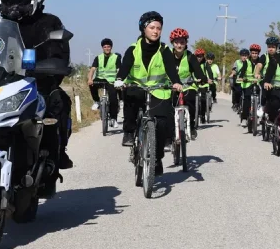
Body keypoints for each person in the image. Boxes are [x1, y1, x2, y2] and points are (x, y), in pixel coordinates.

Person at [0, 0, 74, 197]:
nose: (14, 5)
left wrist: (50, 67)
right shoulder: (0, 26)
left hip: (38, 86)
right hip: (2, 86)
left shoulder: (50, 23)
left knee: (58, 100)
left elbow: (60, 55)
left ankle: (54, 156)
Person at [113, 11, 182, 176]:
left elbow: (171, 69)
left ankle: (156, 159)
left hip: (159, 89)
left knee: (162, 123)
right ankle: (129, 132)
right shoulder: (133, 49)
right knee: (129, 98)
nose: (156, 31)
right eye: (152, 27)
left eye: (159, 28)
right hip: (137, 88)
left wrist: (176, 82)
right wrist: (120, 79)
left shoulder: (164, 50)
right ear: (143, 29)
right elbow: (125, 66)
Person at [168, 28, 207, 140]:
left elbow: (198, 70)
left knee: (190, 98)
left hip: (187, 86)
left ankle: (192, 126)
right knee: (167, 105)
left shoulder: (190, 56)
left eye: (182, 42)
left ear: (186, 43)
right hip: (171, 87)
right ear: (172, 43)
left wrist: (202, 78)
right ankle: (169, 131)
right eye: (176, 42)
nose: (179, 45)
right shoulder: (167, 55)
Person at [88, 38, 122, 127]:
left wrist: (118, 80)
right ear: (102, 48)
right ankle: (97, 101)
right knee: (92, 84)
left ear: (111, 48)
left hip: (111, 81)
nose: (107, 48)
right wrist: (90, 79)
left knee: (113, 98)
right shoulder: (98, 58)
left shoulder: (116, 57)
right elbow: (92, 69)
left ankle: (113, 119)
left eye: (108, 47)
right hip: (100, 78)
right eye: (105, 47)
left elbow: (119, 70)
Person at [237, 44, 262, 127]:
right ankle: (244, 118)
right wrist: (241, 77)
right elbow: (243, 69)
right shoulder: (246, 61)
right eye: (253, 53)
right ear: (250, 53)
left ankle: (259, 113)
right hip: (247, 83)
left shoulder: (261, 61)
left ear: (258, 54)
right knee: (247, 99)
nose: (254, 55)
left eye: (256, 53)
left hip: (257, 82)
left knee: (261, 96)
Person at [194, 48, 215, 123]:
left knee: (203, 100)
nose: (199, 58)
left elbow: (209, 72)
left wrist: (211, 79)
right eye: (198, 56)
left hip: (203, 84)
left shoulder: (205, 63)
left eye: (201, 56)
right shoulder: (192, 62)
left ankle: (202, 115)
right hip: (194, 83)